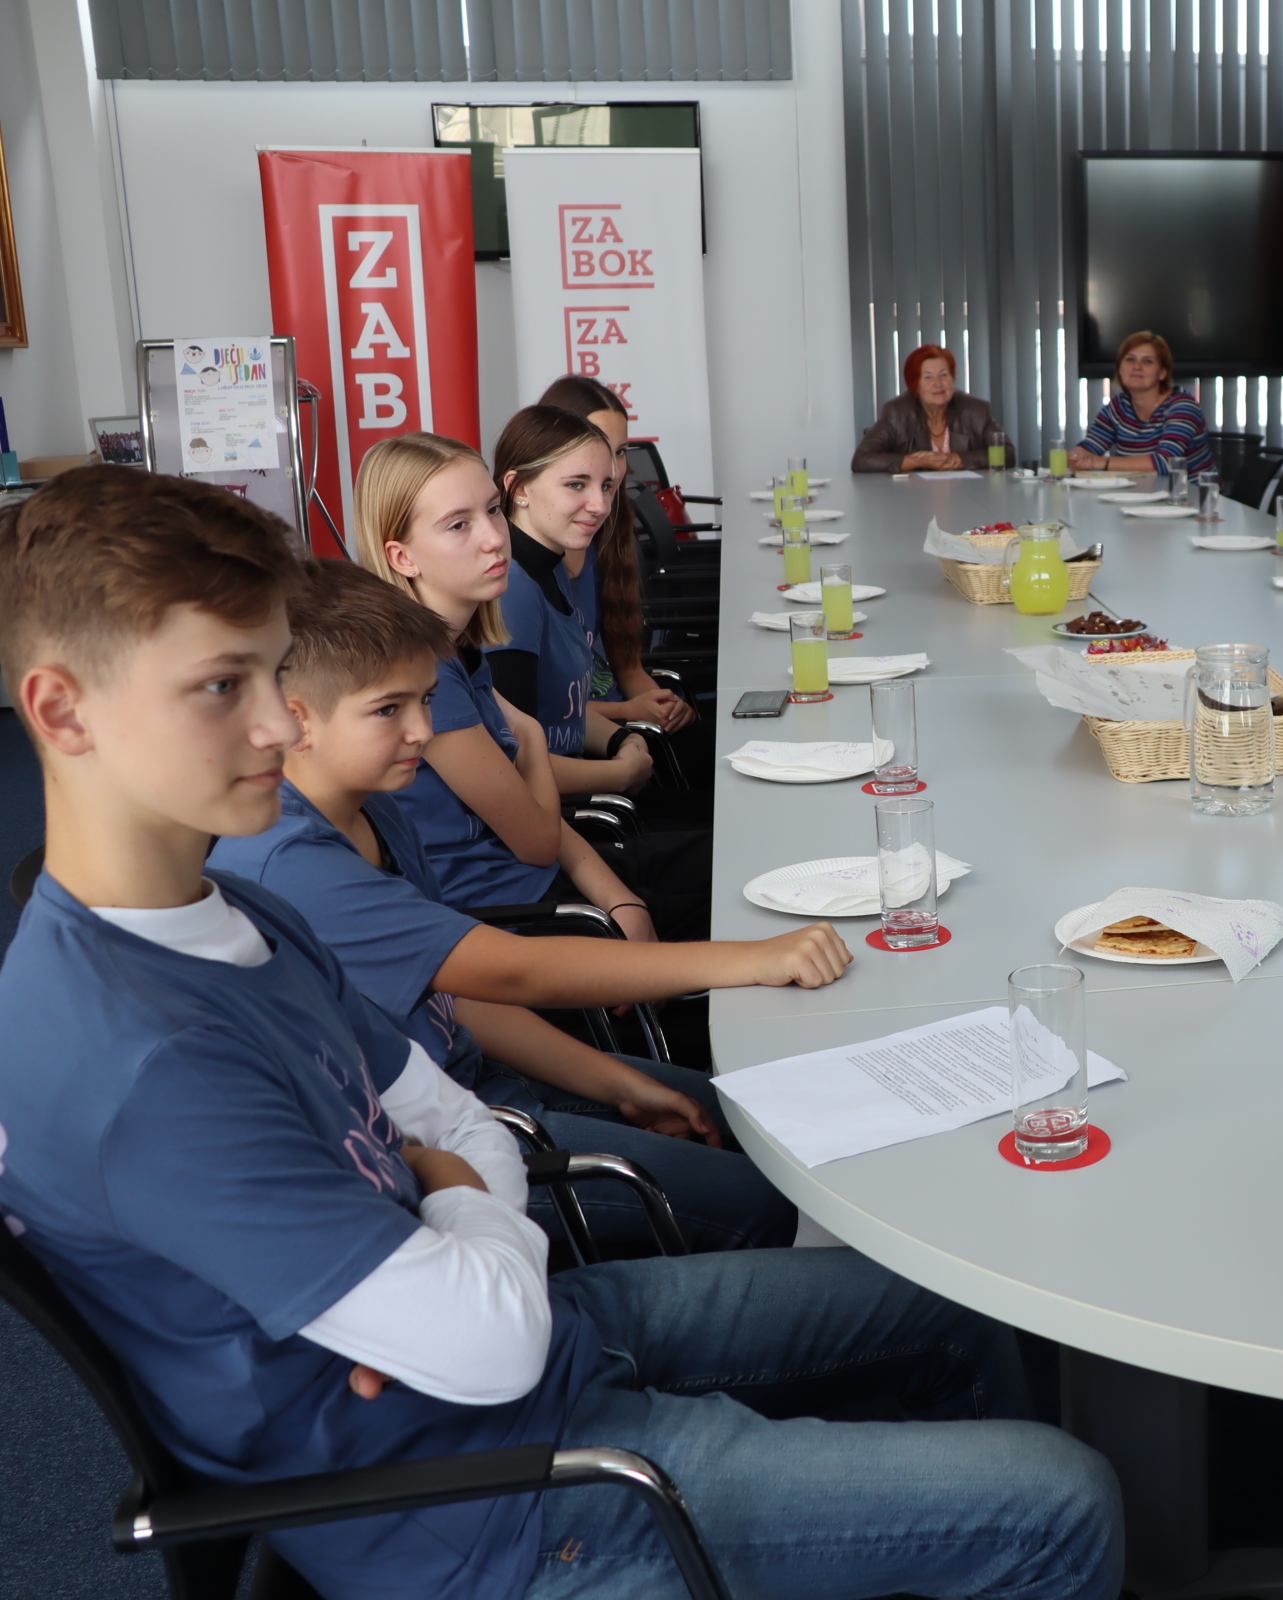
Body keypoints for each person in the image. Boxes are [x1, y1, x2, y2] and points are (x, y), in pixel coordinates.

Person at [0, 466, 1123, 1600]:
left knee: (956, 1304)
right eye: (220, 686)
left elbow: (455, 1120)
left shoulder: (239, 911)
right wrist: (451, 1206)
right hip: (485, 1502)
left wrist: (453, 1209)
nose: (275, 720)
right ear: (60, 712)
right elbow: (478, 1320)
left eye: (273, 671)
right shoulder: (140, 1062)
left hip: (540, 1348)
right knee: (1063, 1499)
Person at [209, 560, 849, 1252]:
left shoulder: (375, 807)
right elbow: (513, 971)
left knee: (752, 1121)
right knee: (761, 1198)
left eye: (427, 699)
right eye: (390, 709)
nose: (422, 729)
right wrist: (754, 960)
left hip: (482, 1086)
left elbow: (457, 1002)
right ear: (295, 721)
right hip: (450, 1153)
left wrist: (618, 1084)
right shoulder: (292, 862)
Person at [349, 431, 656, 932]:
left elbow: (537, 819)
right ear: (403, 557)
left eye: (493, 510)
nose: (495, 538)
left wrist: (623, 902)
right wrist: (530, 737)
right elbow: (538, 842)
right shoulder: (421, 671)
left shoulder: (459, 643)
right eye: (458, 525)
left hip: (541, 889)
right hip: (506, 916)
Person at [487, 405, 647, 797]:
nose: (601, 505)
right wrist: (619, 774)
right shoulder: (512, 589)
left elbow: (562, 711)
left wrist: (619, 739)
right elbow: (513, 762)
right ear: (519, 489)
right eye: (576, 485)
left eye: (606, 486)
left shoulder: (553, 563)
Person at [534, 374, 697, 746]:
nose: (612, 467)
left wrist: (665, 706)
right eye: (599, 447)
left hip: (628, 729)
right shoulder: (520, 572)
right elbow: (541, 714)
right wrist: (629, 713)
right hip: (592, 742)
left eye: (620, 451)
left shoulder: (605, 536)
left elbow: (628, 668)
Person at [852, 344, 1015, 474]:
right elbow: (862, 459)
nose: (938, 383)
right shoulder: (897, 413)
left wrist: (959, 459)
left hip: (967, 495)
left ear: (953, 378)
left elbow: (1008, 454)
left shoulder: (975, 410)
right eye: (928, 377)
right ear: (915, 385)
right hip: (912, 498)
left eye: (944, 375)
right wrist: (917, 461)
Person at [1068, 331, 1213, 475]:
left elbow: (1165, 462)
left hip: (1187, 489)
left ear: (1162, 373)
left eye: (1148, 361)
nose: (1137, 366)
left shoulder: (1183, 406)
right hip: (1135, 488)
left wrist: (1101, 462)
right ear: (1120, 369)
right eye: (1130, 359)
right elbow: (1089, 447)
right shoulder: (1119, 406)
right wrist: (1076, 457)